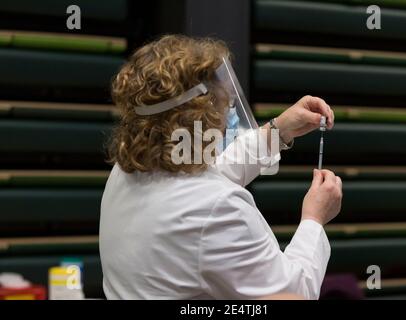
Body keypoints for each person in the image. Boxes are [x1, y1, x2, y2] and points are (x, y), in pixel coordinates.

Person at [99, 35, 343, 300]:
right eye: (221, 102)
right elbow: (294, 293)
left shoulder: (128, 171)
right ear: (197, 114)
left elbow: (209, 178)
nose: (228, 110)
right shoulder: (218, 209)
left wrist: (277, 131)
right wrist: (314, 220)